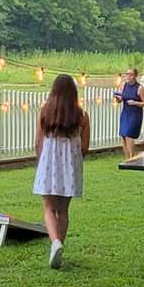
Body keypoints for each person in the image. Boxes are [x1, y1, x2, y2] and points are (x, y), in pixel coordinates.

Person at [33, 74, 90, 269]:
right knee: (63, 209)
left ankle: (55, 243)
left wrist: (41, 161)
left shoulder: (45, 112)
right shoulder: (82, 115)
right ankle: (59, 245)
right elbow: (84, 147)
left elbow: (37, 143)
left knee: (48, 207)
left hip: (49, 164)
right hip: (70, 167)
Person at [114, 68, 144, 160]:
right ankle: (127, 158)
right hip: (125, 113)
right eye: (127, 74)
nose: (128, 76)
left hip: (135, 114)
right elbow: (120, 100)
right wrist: (117, 98)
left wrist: (135, 103)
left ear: (135, 76)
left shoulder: (140, 88)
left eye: (131, 74)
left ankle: (132, 158)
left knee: (129, 135)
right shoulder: (123, 85)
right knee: (123, 135)